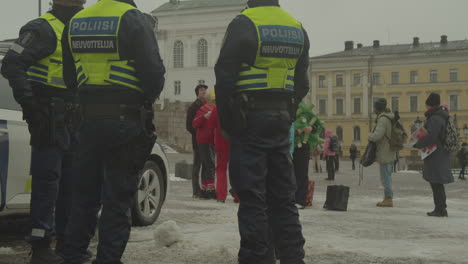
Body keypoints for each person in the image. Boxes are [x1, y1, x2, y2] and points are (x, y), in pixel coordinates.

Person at [60, 0, 166, 263]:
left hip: (86, 121)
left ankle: (72, 256)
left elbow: (70, 77)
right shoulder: (132, 19)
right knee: (117, 201)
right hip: (125, 121)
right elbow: (153, 75)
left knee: (83, 197)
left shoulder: (76, 22)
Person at [214, 0, 309, 262]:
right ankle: (292, 257)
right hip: (280, 118)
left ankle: (257, 258)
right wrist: (287, 112)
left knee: (252, 197)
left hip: (249, 120)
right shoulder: (296, 27)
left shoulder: (244, 23)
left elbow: (224, 78)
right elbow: (302, 83)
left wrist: (230, 124)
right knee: (283, 198)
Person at [1, 1, 85, 263]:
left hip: (74, 116)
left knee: (71, 184)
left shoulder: (79, 27)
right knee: (47, 181)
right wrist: (31, 104)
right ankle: (40, 246)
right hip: (48, 114)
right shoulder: (42, 28)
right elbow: (11, 64)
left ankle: (66, 244)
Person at [414, 93, 454, 217]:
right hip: (438, 152)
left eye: (426, 105)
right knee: (436, 182)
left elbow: (431, 136)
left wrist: (418, 143)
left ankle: (441, 209)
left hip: (437, 153)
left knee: (436, 181)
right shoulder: (440, 116)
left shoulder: (435, 118)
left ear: (430, 105)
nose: (426, 108)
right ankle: (440, 208)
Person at [368, 98, 396, 207]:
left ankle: (388, 198)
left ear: (376, 108)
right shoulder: (389, 117)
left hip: (385, 151)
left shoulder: (383, 119)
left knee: (385, 176)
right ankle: (388, 197)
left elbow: (377, 136)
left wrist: (369, 135)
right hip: (390, 150)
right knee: (387, 175)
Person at [192, 89, 216, 199]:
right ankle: (210, 190)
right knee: (209, 165)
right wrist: (204, 116)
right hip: (204, 141)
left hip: (211, 141)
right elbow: (195, 123)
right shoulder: (203, 109)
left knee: (207, 166)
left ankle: (205, 190)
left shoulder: (215, 109)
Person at [207, 90, 230, 203]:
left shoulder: (217, 110)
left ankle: (221, 196)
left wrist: (211, 142)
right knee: (236, 169)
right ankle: (238, 196)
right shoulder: (233, 107)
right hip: (234, 144)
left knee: (221, 170)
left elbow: (210, 127)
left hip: (221, 144)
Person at [186, 84, 208, 198]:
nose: (203, 92)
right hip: (198, 141)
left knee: (206, 165)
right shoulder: (193, 107)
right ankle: (196, 190)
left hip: (207, 141)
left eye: (204, 90)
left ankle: (205, 189)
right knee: (197, 166)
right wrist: (199, 133)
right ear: (197, 92)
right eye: (201, 90)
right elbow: (189, 126)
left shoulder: (207, 105)